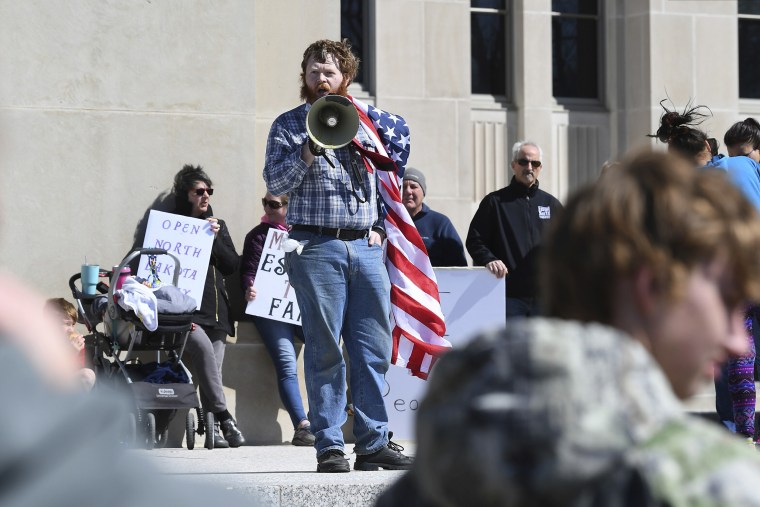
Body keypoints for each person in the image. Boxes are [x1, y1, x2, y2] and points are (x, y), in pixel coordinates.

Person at [377, 149, 760, 507]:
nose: (738, 340)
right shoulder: (712, 483)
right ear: (651, 288)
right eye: (726, 301)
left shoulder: (447, 448)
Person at [263, 39, 412, 473]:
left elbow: (389, 180)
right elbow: (276, 180)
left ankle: (372, 442)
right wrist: (309, 148)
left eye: (329, 72)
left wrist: (382, 228)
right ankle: (329, 444)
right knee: (325, 347)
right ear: (304, 77)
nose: (320, 78)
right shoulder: (289, 125)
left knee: (371, 347)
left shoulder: (366, 123)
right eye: (313, 71)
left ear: (345, 77)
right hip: (315, 246)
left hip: (364, 246)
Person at [650, 103, 760, 442]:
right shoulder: (744, 164)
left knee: (737, 354)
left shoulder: (684, 192)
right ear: (709, 146)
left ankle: (742, 431)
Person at [168, 164, 245, 448]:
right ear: (185, 194)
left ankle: (214, 431)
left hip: (217, 312)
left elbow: (231, 265)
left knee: (213, 370)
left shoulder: (216, 226)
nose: (206, 196)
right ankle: (225, 418)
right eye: (199, 191)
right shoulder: (173, 226)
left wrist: (212, 239)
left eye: (209, 191)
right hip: (187, 312)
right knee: (202, 353)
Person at [241, 192, 314, 446]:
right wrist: (249, 286)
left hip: (301, 307)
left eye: (273, 204)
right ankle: (302, 426)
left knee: (326, 354)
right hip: (271, 311)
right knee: (286, 362)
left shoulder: (306, 233)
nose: (267, 208)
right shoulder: (257, 236)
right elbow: (249, 271)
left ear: (288, 206)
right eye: (265, 203)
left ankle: (319, 419)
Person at [465, 140, 562, 318]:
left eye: (535, 163)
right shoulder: (494, 202)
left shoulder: (552, 204)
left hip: (544, 298)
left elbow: (567, 246)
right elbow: (475, 240)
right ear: (513, 165)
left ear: (541, 167)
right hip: (508, 296)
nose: (529, 167)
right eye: (524, 162)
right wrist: (489, 259)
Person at [401, 168, 467, 267]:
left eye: (413, 187)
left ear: (423, 192)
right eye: (404, 187)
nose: (408, 191)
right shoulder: (390, 222)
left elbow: (458, 264)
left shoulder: (440, 222)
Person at [45, 297, 96, 391]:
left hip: (67, 391)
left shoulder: (74, 343)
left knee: (88, 375)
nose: (71, 329)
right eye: (67, 324)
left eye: (73, 324)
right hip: (44, 393)